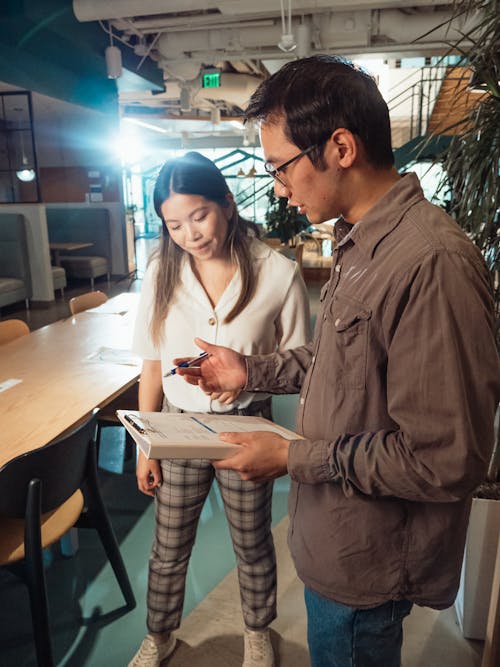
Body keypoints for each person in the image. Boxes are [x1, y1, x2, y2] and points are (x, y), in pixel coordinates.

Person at [176, 56, 500, 667]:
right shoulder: (361, 242)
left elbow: (443, 458)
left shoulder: (429, 263)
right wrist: (251, 371)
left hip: (368, 557)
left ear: (341, 147)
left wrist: (292, 455)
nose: (277, 187)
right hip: (335, 536)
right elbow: (337, 359)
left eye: (281, 167)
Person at [128, 151, 311, 667]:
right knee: (168, 549)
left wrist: (248, 374)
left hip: (246, 428)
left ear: (228, 205)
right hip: (176, 427)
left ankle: (257, 631)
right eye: (174, 224)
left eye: (200, 215)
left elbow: (299, 362)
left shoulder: (277, 274)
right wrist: (147, 446)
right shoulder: (162, 270)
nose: (190, 233)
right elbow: (151, 364)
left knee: (251, 543)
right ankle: (159, 636)